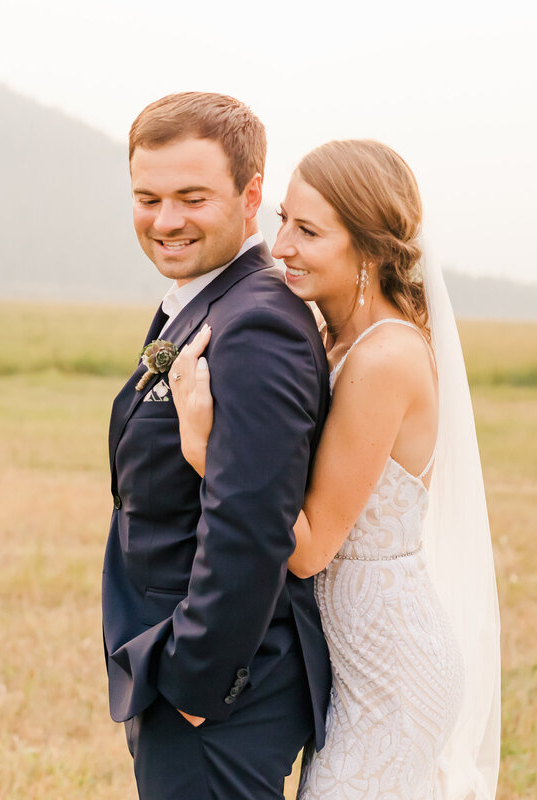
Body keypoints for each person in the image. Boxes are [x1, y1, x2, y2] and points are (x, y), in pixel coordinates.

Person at [171, 139, 501, 799]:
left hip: (392, 671)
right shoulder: (333, 338)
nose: (282, 245)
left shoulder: (384, 359)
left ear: (370, 253)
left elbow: (311, 548)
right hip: (352, 665)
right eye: (284, 219)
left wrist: (206, 448)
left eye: (310, 231)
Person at [101, 92, 333, 800]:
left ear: (250, 194)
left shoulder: (256, 324)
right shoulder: (209, 300)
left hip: (223, 696)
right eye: (148, 197)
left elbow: (253, 521)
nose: (165, 221)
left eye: (191, 197)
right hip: (181, 676)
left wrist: (197, 681)